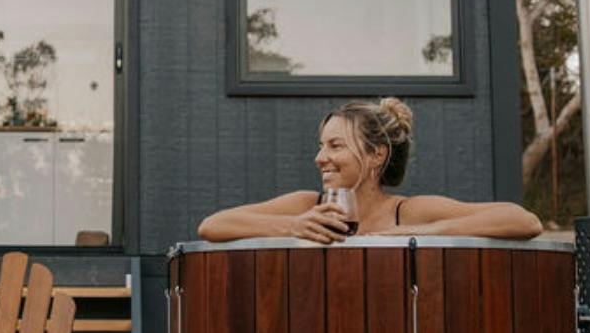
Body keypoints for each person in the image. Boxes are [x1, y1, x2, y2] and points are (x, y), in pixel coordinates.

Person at [196, 97, 542, 243]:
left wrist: (425, 232)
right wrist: (293, 226)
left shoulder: (407, 212)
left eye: (335, 146)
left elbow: (525, 221)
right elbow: (211, 225)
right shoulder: (306, 206)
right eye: (321, 145)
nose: (320, 158)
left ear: (376, 155)